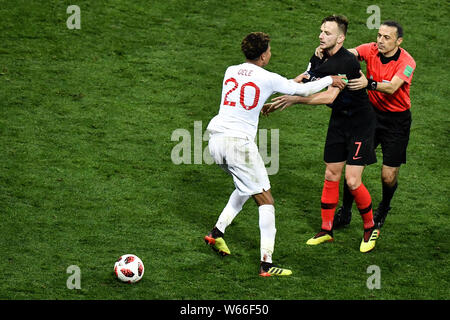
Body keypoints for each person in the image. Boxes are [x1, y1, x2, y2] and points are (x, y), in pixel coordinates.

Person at [204, 32, 346, 276]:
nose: (271, 53)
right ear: (262, 55)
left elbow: (256, 90)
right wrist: (330, 79)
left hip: (215, 140)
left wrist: (295, 79)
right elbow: (300, 92)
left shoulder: (231, 70)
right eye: (269, 50)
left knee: (246, 187)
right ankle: (266, 265)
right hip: (238, 145)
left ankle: (216, 234)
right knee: (266, 200)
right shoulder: (268, 77)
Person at [263, 15, 380, 253]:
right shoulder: (318, 55)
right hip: (339, 120)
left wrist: (294, 99)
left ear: (341, 37)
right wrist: (275, 96)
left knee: (352, 179)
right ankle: (326, 230)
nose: (321, 35)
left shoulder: (345, 62)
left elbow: (328, 96)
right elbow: (303, 79)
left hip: (360, 123)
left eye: (327, 32)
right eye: (321, 31)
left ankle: (370, 227)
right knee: (331, 173)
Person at [328, 20, 416, 230]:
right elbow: (346, 54)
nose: (381, 41)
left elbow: (393, 87)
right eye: (379, 35)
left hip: (397, 122)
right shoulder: (371, 49)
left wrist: (369, 83)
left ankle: (384, 207)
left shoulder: (407, 62)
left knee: (388, 175)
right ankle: (346, 211)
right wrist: (329, 49)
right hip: (370, 116)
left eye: (387, 37)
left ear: (399, 41)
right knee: (354, 166)